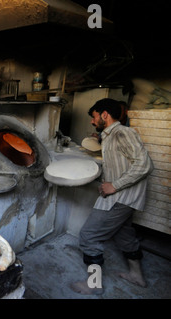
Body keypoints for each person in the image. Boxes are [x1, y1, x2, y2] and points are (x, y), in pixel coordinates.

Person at [71, 98, 154, 295]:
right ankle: (137, 276)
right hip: (127, 197)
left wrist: (114, 185)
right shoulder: (111, 134)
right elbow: (120, 158)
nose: (93, 121)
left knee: (89, 236)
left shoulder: (123, 133)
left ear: (105, 115)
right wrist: (99, 140)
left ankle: (94, 284)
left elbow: (145, 165)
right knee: (123, 235)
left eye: (94, 117)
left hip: (121, 197)